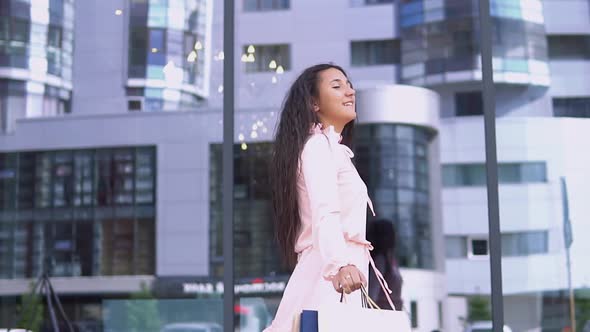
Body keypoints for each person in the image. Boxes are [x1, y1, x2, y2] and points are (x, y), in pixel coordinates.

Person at [265, 64, 394, 331]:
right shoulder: (318, 147)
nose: (350, 92)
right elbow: (326, 212)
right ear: (314, 103)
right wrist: (340, 265)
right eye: (337, 86)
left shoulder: (332, 150)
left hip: (339, 272)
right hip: (331, 274)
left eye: (349, 85)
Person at [366, 219, 403, 311]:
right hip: (384, 315)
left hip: (392, 313)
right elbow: (372, 292)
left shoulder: (390, 259)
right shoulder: (380, 260)